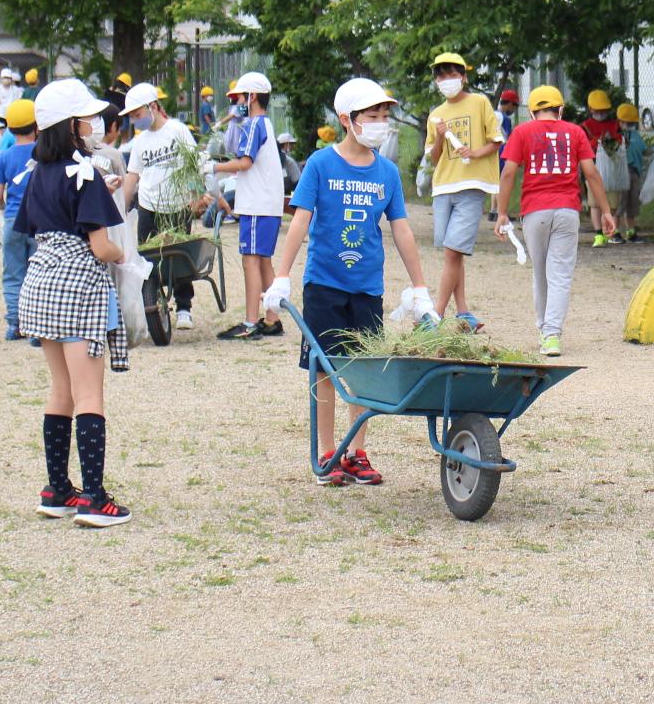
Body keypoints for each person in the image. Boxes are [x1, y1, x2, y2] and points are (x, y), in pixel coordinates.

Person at [261, 77, 437, 487]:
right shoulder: (321, 164)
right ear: (347, 119)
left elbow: (402, 230)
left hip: (367, 288)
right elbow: (300, 220)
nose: (380, 123)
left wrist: (421, 289)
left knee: (363, 370)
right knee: (324, 368)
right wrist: (282, 275)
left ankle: (356, 452)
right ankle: (327, 452)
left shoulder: (387, 172)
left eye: (384, 116)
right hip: (324, 284)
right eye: (371, 116)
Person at [14, 79, 132, 528]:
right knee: (88, 393)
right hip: (79, 288)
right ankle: (95, 498)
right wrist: (123, 256)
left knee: (60, 390)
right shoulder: (83, 173)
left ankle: (57, 489)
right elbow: (101, 246)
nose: (93, 124)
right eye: (86, 118)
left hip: (41, 287)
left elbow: (40, 223)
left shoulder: (36, 173)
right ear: (70, 126)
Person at [495, 85, 617, 357]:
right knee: (560, 275)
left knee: (540, 273)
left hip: (534, 211)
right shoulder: (575, 132)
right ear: (560, 109)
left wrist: (502, 213)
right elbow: (592, 173)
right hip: (567, 210)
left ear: (531, 111)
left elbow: (508, 174)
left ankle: (543, 329)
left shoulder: (522, 132)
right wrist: (606, 210)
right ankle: (552, 336)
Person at [118, 81, 204, 330]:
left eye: (137, 114)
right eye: (132, 117)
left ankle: (184, 306)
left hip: (176, 205)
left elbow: (193, 164)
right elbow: (132, 176)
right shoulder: (141, 142)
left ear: (153, 107)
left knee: (180, 256)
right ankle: (152, 302)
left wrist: (195, 194)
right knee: (147, 258)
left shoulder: (177, 131)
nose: (136, 120)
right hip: (149, 205)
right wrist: (121, 210)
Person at [427, 52, 502, 328]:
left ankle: (436, 314)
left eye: (452, 74)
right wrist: (439, 136)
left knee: (451, 251)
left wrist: (475, 152)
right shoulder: (436, 115)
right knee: (453, 252)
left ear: (464, 76)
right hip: (443, 185)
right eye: (442, 75)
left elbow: (496, 141)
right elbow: (434, 158)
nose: (447, 80)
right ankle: (464, 313)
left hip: (472, 185)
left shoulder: (480, 102)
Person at [208, 72, 286, 341]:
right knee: (263, 259)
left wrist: (213, 167)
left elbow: (244, 162)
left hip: (256, 203)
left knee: (250, 260)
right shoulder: (265, 124)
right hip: (269, 203)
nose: (236, 103)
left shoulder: (254, 125)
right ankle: (272, 319)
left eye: (240, 97)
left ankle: (251, 322)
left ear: (252, 97)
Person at [0, 98, 39, 341]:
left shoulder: (3, 157)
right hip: (41, 221)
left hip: (12, 220)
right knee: (39, 274)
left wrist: (5, 208)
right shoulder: (45, 154)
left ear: (9, 127)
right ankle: (38, 327)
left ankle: (15, 323)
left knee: (13, 274)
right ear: (36, 125)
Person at [581, 88, 624, 244]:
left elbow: (622, 142)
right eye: (597, 109)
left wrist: (613, 141)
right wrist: (596, 142)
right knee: (594, 203)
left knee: (612, 203)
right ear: (590, 109)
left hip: (612, 170)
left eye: (603, 109)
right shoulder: (585, 127)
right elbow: (582, 147)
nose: (600, 112)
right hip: (593, 168)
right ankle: (599, 234)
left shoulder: (615, 125)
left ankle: (610, 232)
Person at [617, 101, 647, 241]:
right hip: (620, 172)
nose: (629, 126)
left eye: (631, 123)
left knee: (632, 203)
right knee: (619, 203)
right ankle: (614, 232)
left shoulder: (636, 136)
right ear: (620, 122)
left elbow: (644, 150)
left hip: (634, 172)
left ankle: (631, 232)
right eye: (627, 123)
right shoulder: (616, 136)